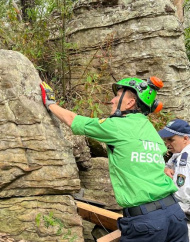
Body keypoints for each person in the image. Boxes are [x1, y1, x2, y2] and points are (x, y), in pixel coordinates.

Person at [40, 77, 188, 241]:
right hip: (175, 215)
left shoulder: (117, 126)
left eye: (117, 96)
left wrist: (50, 103)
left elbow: (74, 121)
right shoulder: (150, 130)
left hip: (146, 222)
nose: (112, 100)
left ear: (130, 103)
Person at [159, 119, 190, 240]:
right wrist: (165, 169)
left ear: (185, 139)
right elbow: (169, 166)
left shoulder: (185, 158)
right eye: (166, 140)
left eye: (171, 139)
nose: (167, 143)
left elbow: (182, 194)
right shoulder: (179, 153)